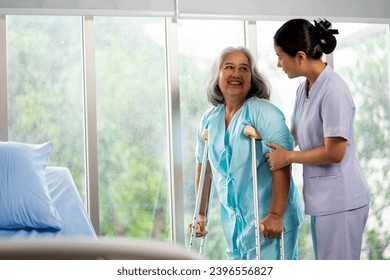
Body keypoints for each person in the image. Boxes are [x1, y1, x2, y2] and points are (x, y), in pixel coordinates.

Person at [265, 18, 370, 260]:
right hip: (323, 201)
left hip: (342, 201)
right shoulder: (304, 89)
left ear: (300, 57)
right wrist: (263, 137)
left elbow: (335, 152)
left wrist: (288, 157)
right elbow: (292, 137)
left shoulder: (333, 90)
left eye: (281, 56)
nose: (279, 63)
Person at [191, 46, 303, 260]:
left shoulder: (264, 112)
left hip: (269, 220)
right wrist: (201, 214)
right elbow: (203, 169)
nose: (236, 74)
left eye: (244, 69)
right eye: (229, 67)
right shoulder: (209, 119)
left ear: (252, 79)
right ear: (217, 76)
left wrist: (276, 215)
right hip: (235, 224)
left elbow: (282, 160)